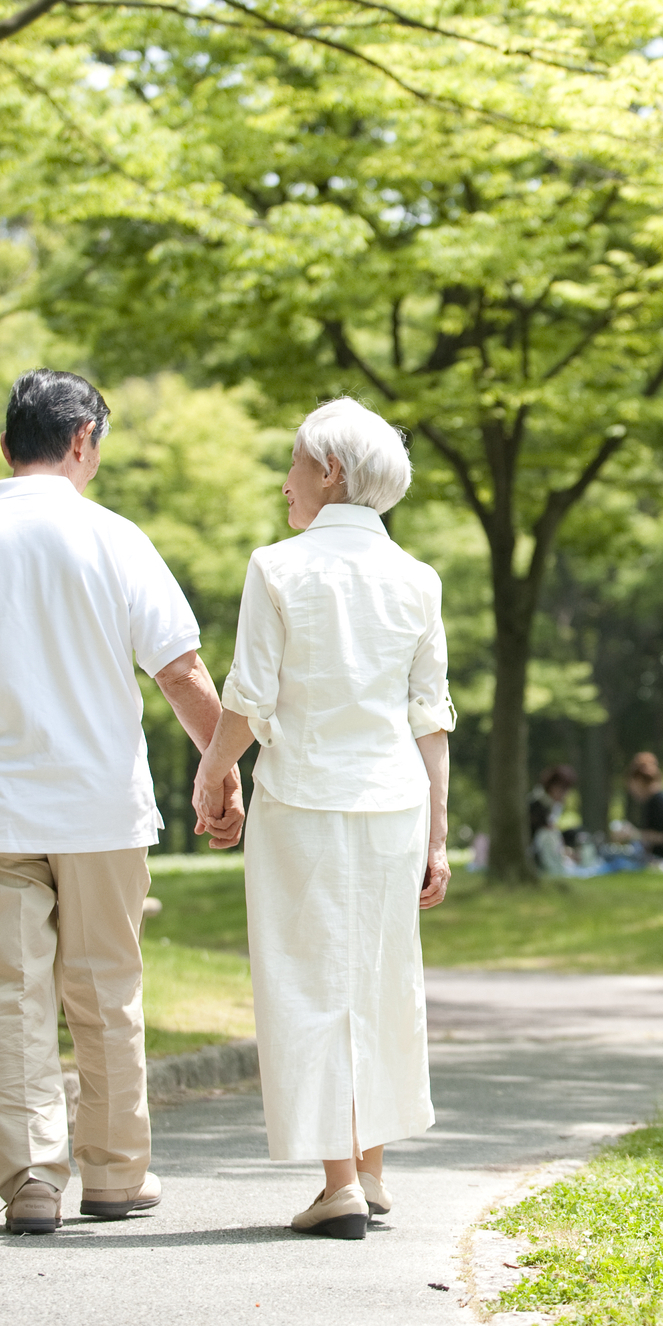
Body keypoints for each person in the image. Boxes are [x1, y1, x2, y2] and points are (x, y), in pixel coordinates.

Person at [0, 370, 236, 1235]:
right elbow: (182, 672)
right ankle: (118, 1173)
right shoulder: (117, 539)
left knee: (11, 995)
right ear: (82, 438)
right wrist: (223, 773)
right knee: (106, 988)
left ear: (7, 446)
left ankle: (33, 1182)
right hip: (99, 807)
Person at [192, 396, 455, 1241]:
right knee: (381, 976)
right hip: (393, 805)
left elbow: (249, 696)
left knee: (309, 979)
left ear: (331, 472)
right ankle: (371, 1170)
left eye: (296, 465)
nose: (285, 483)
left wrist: (213, 769)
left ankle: (336, 1180)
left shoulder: (278, 567)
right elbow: (431, 717)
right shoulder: (419, 578)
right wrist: (439, 836)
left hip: (303, 799)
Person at [615, 751, 663, 865]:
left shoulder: (657, 802)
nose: (631, 791)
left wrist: (633, 834)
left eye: (631, 786)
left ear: (638, 781)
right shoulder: (660, 799)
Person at [529, 764, 579, 877]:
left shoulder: (553, 805)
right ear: (553, 787)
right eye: (563, 789)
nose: (565, 794)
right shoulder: (537, 803)